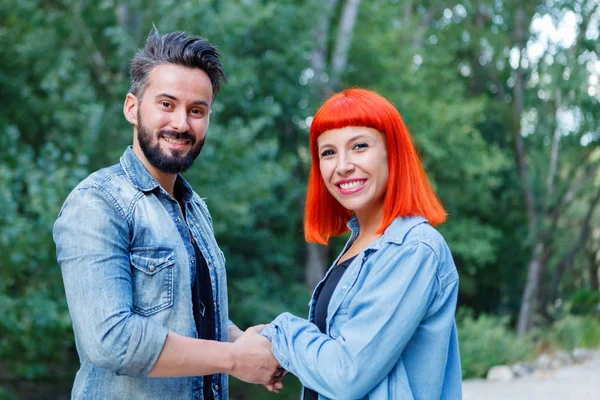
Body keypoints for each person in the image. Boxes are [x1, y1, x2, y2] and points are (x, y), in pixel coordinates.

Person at [53, 28, 279, 400]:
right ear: (132, 107)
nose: (181, 124)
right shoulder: (97, 202)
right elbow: (111, 340)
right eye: (166, 104)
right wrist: (234, 358)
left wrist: (246, 342)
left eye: (196, 111)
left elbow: (188, 314)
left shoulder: (194, 208)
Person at [259, 88, 462, 399]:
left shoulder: (412, 249)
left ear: (392, 153)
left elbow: (347, 374)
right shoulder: (359, 245)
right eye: (328, 153)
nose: (342, 166)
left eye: (359, 146)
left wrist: (278, 334)